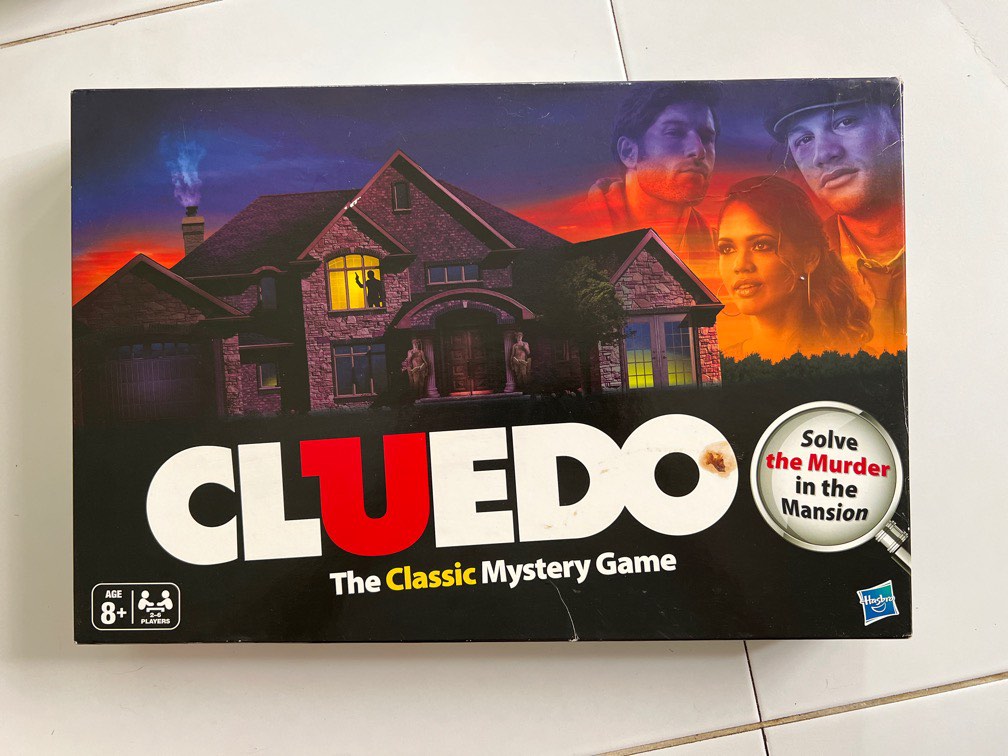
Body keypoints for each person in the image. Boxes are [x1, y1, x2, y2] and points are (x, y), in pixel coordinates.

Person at [764, 79, 905, 353]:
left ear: (899, 121)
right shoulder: (794, 275)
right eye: (804, 140)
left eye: (846, 121)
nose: (824, 154)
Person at [716, 176, 872, 361]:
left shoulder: (856, 360)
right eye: (727, 249)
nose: (740, 265)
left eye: (761, 245)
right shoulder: (719, 365)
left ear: (810, 258)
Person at [587, 83, 719, 266]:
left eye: (706, 138)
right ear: (628, 152)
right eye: (674, 132)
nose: (698, 150)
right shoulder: (576, 236)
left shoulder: (721, 252)